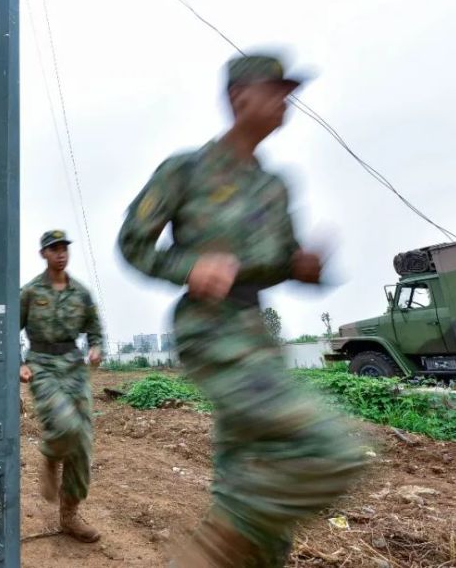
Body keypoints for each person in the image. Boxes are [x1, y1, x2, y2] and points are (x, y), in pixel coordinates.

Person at [117, 54, 367, 566]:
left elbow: (272, 265)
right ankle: (216, 545)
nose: (285, 103)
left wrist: (302, 268)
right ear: (240, 98)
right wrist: (191, 268)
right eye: (276, 91)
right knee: (331, 449)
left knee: (253, 470)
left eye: (289, 94)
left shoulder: (274, 187)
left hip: (255, 332)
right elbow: (133, 243)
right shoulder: (185, 170)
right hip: (210, 329)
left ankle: (244, 545)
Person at [19, 230, 104, 543]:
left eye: (64, 248)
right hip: (41, 365)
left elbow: (95, 330)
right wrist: (19, 362)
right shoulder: (29, 292)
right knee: (66, 425)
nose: (60, 253)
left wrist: (95, 347)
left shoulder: (80, 293)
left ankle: (69, 515)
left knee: (82, 441)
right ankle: (51, 456)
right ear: (43, 254)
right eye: (53, 249)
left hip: (73, 367)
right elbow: (8, 327)